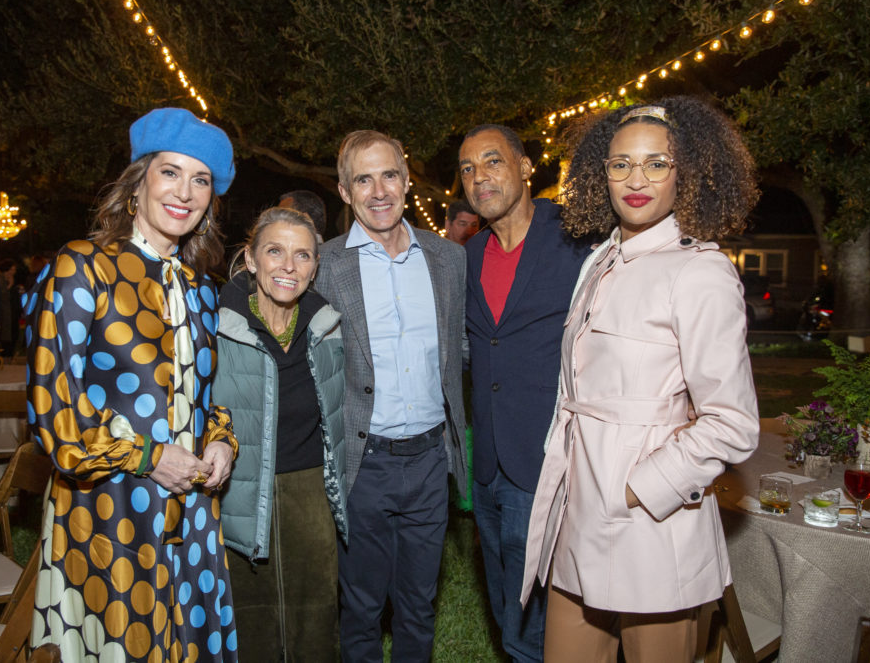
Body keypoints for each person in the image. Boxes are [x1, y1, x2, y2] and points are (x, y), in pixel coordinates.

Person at [521, 97, 761, 662]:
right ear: (599, 174)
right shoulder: (600, 260)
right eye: (620, 163)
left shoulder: (700, 271)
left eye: (657, 163)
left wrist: (640, 489)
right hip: (577, 518)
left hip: (655, 527)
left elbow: (731, 422)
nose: (636, 179)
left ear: (689, 173)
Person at [25, 107, 240, 661]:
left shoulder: (201, 288)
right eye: (170, 172)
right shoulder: (82, 266)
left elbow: (202, 399)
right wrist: (147, 457)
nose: (185, 192)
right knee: (125, 642)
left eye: (201, 180)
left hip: (192, 507)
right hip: (109, 507)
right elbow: (56, 415)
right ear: (136, 183)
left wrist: (221, 440)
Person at [314, 130, 467, 663]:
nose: (379, 190)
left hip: (430, 460)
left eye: (389, 175)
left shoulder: (449, 259)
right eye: (363, 178)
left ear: (406, 179)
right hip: (364, 463)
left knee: (419, 604)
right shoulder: (323, 264)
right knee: (360, 606)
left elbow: (461, 349)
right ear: (344, 190)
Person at [458, 124, 589, 662]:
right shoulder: (466, 258)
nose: (479, 177)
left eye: (492, 161)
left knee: (544, 620)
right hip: (488, 463)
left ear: (525, 166)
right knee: (508, 605)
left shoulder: (577, 241)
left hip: (548, 457)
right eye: (467, 169)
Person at [215, 206, 347, 662]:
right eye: (275, 251)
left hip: (310, 490)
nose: (289, 266)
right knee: (248, 617)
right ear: (251, 260)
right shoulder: (216, 327)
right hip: (238, 491)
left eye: (303, 255)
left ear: (315, 266)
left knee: (315, 617)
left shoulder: (330, 326)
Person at [0, 258, 22, 356]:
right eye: (12, 269)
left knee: (13, 336)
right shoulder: (0, 280)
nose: (13, 272)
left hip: (13, 314)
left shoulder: (13, 280)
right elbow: (2, 296)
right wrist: (10, 286)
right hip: (5, 314)